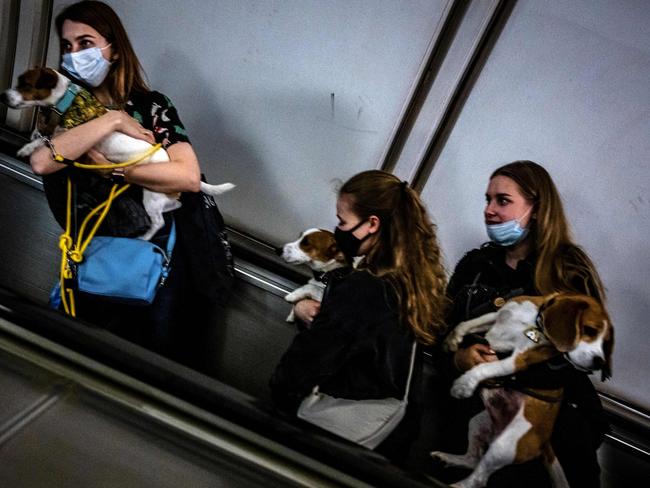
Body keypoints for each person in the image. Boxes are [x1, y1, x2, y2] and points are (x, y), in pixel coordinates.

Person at [29, 1, 212, 358]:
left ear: (113, 49)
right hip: (88, 257)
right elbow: (41, 161)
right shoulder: (62, 111)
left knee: (143, 364)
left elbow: (187, 176)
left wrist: (118, 169)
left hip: (148, 262)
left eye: (86, 43)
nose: (74, 55)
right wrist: (111, 121)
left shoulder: (151, 106)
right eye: (67, 46)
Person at [438, 161, 609, 487]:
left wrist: (507, 364)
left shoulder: (569, 273)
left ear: (537, 208)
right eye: (487, 200)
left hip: (547, 437)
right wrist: (460, 358)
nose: (489, 210)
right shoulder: (475, 266)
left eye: (502, 201)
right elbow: (440, 334)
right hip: (476, 429)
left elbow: (579, 357)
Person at [269, 170, 448, 464]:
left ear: (371, 225)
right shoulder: (408, 284)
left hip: (345, 420)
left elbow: (312, 357)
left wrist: (280, 396)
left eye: (343, 221)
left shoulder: (366, 285)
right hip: (389, 434)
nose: (338, 230)